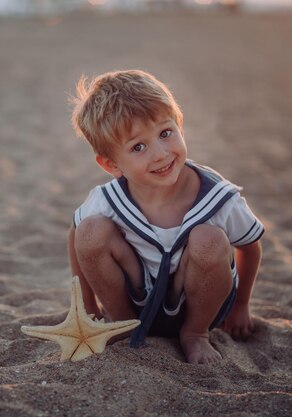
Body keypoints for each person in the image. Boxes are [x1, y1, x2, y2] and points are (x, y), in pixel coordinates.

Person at [68, 70, 264, 364]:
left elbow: (250, 246)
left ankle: (194, 335)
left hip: (200, 304)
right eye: (138, 147)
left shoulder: (218, 197)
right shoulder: (107, 199)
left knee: (208, 239)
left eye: (165, 133)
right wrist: (86, 306)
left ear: (179, 125)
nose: (160, 154)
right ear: (111, 164)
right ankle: (122, 324)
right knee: (89, 231)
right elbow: (75, 237)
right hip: (135, 300)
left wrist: (242, 304)